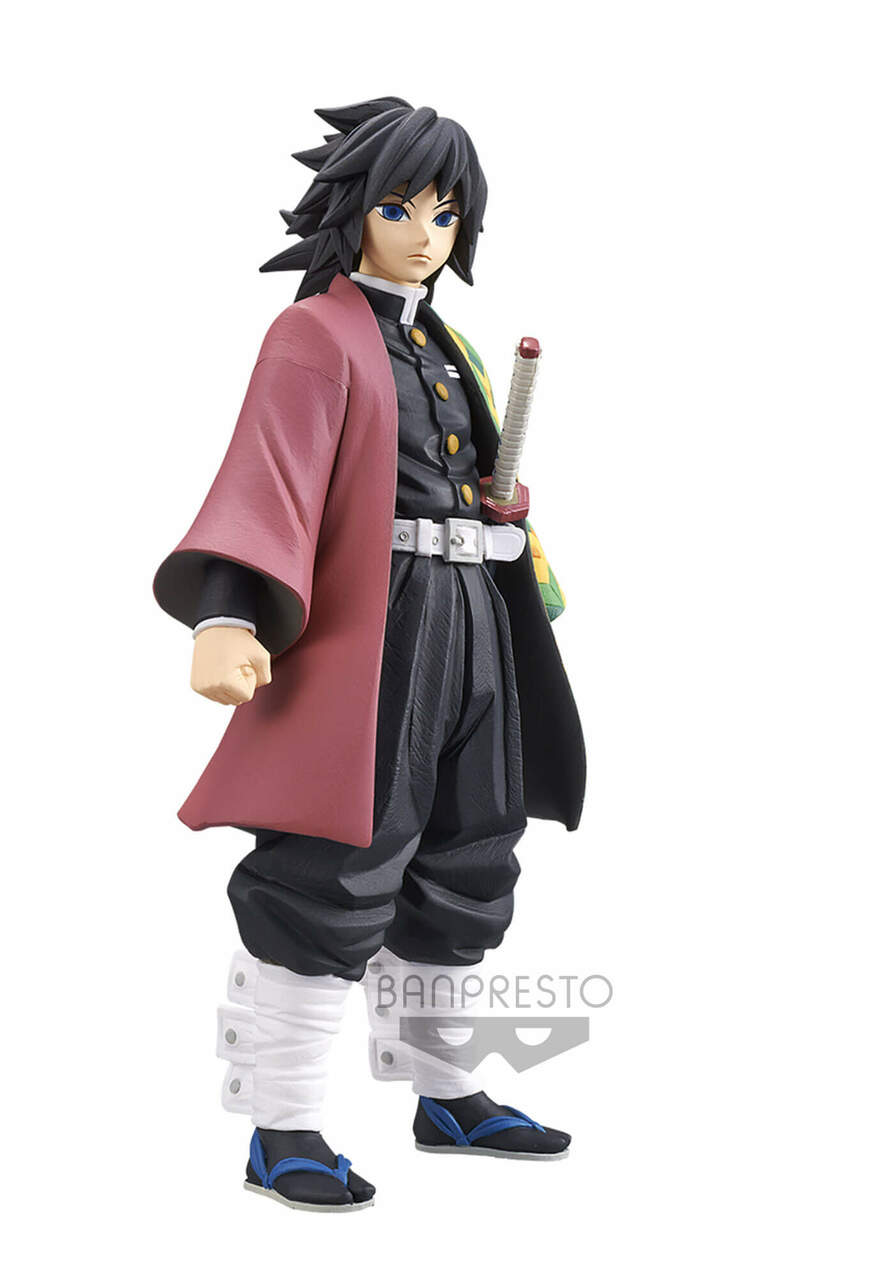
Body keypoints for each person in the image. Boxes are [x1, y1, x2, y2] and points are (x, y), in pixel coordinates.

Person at [153, 97, 585, 1211]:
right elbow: (268, 475)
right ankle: (282, 1121)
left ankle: (446, 1091)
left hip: (471, 618)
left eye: (445, 213)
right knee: (334, 862)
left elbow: (456, 475)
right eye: (400, 208)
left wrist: (497, 511)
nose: (424, 234)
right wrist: (226, 617)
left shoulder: (446, 344)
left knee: (466, 854)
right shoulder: (315, 333)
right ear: (353, 210)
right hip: (376, 626)